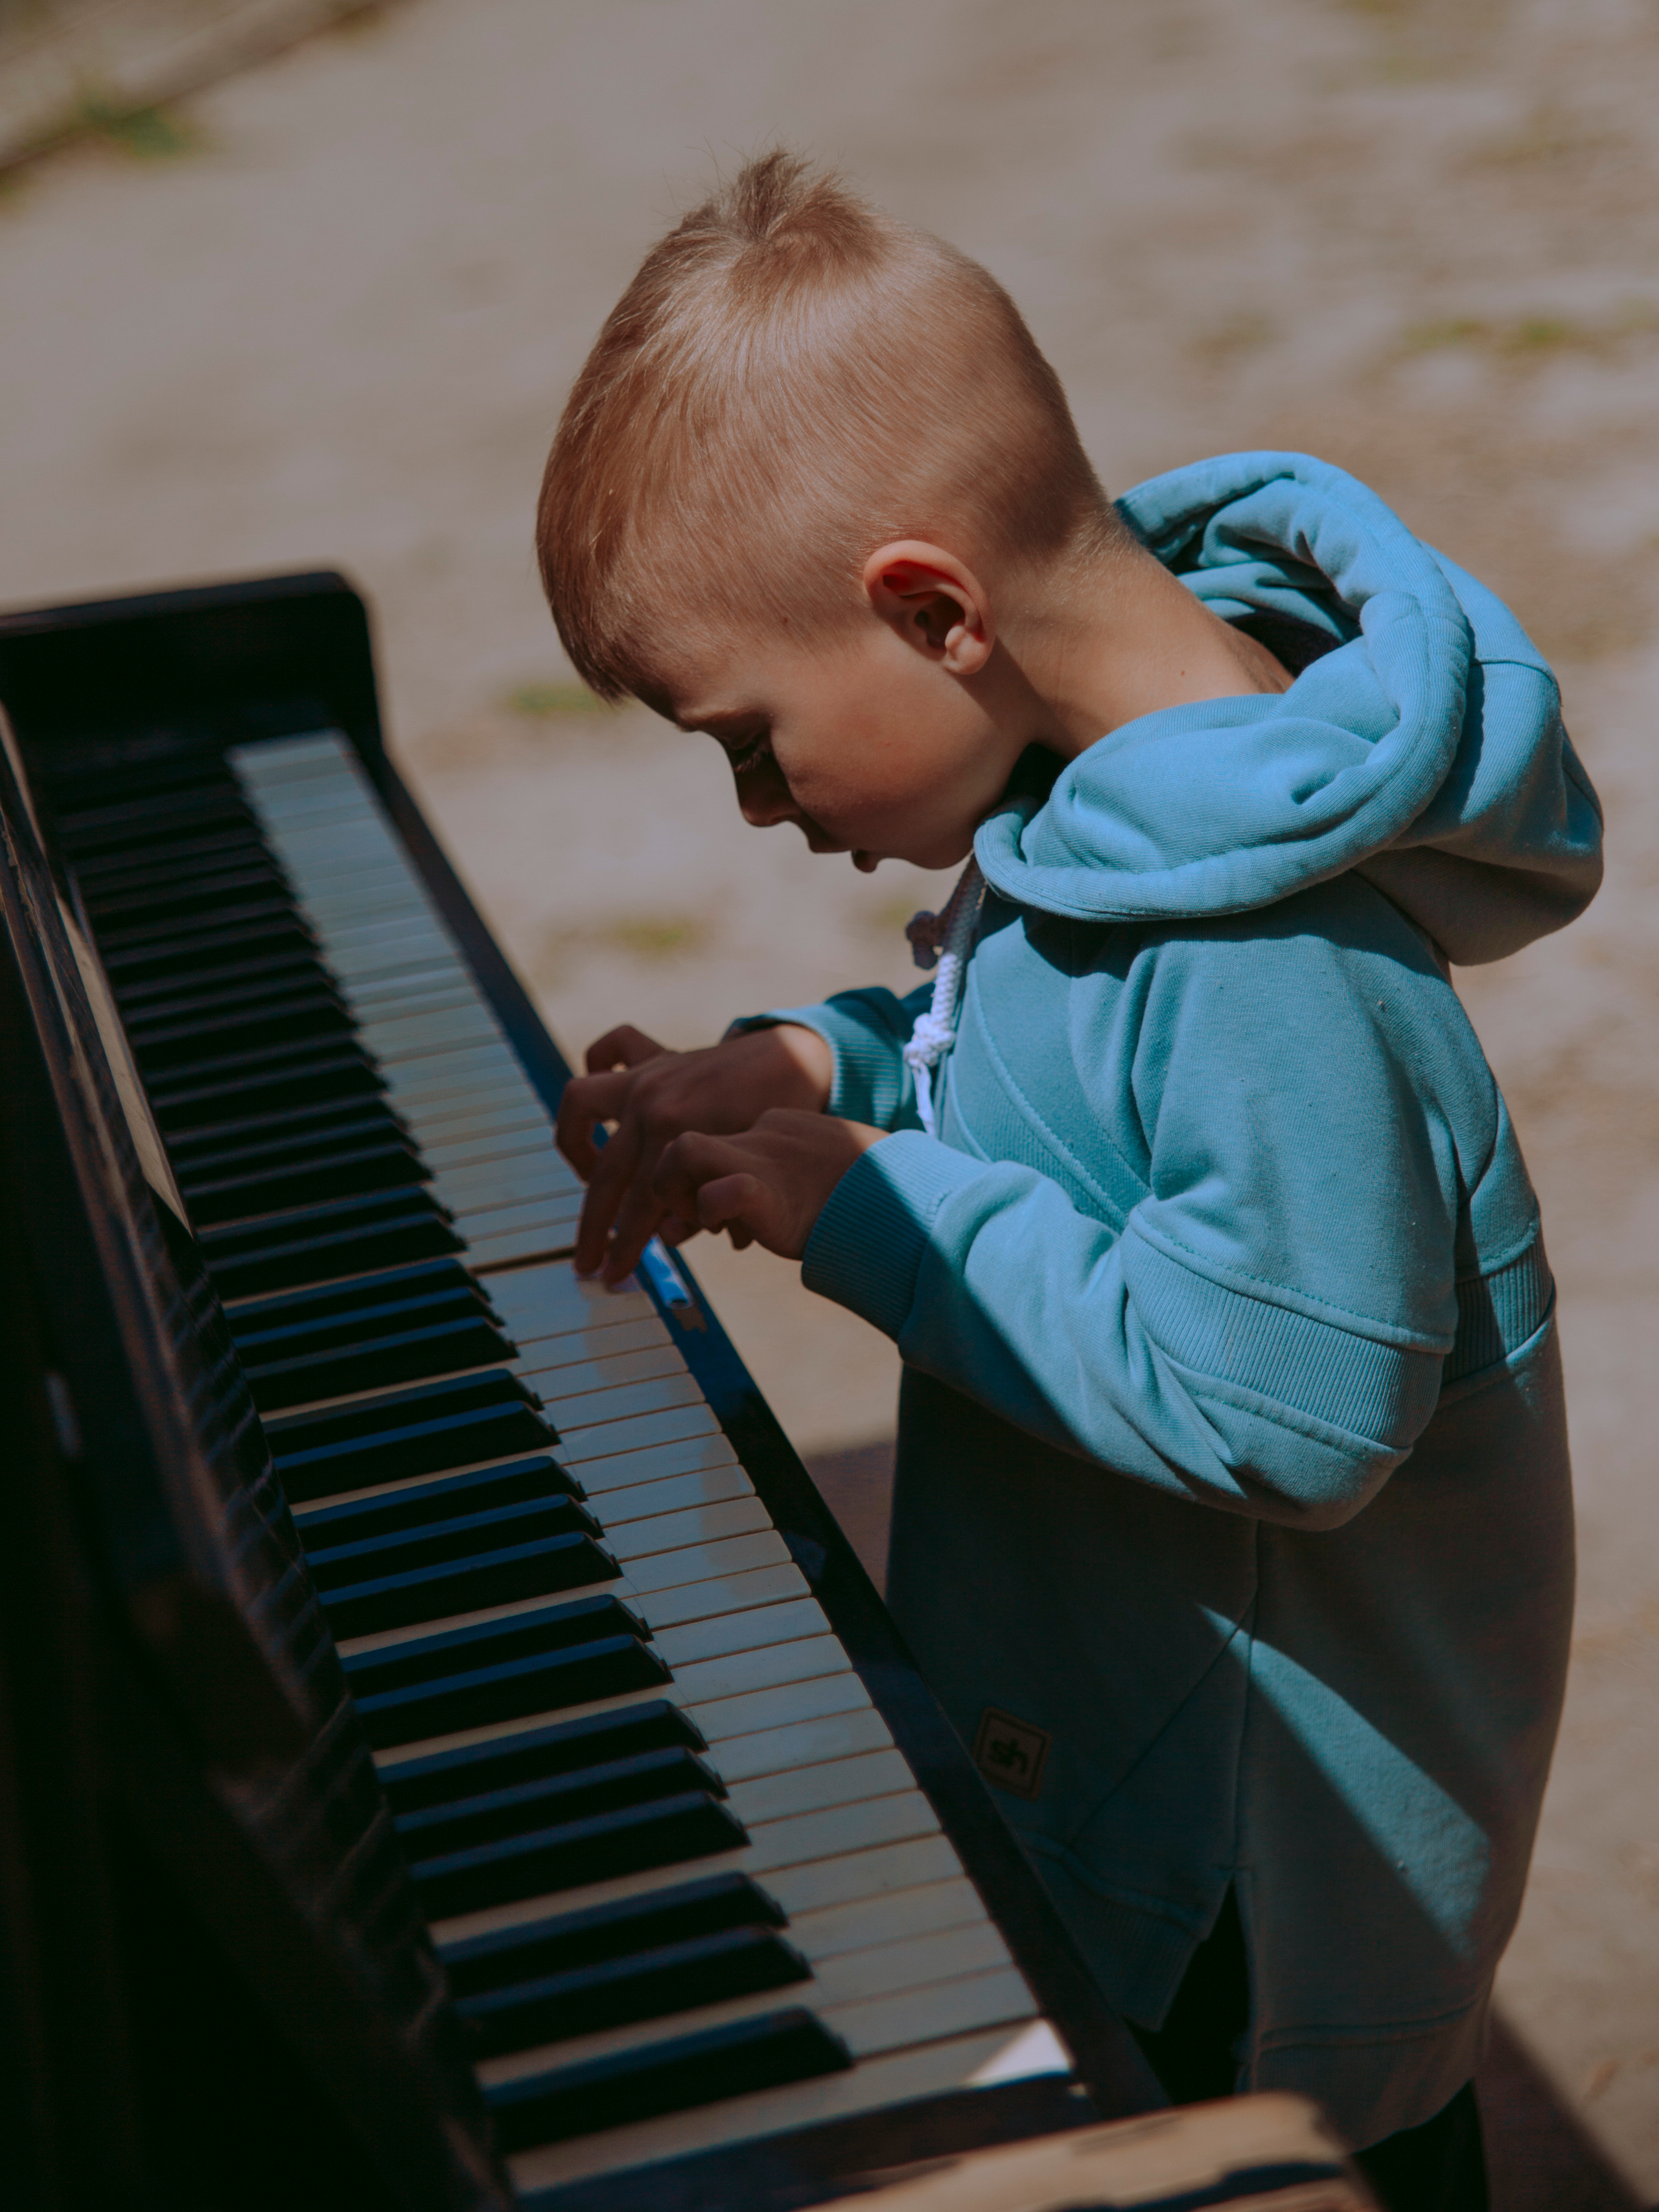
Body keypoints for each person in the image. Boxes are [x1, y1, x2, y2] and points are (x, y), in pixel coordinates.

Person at [539, 152, 1602, 2210]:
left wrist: (872, 1208)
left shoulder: (1265, 950)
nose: (755, 807)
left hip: (1255, 1880)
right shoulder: (1111, 809)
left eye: (749, 738)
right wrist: (820, 1066)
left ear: (931, 611)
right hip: (1158, 1779)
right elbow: (1049, 1078)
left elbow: (1284, 1405)